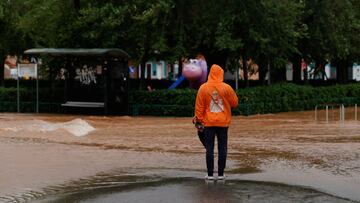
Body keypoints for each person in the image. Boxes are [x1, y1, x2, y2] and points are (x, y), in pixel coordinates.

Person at [194, 64, 238, 180]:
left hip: (208, 123)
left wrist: (199, 121)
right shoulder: (227, 88)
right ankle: (221, 174)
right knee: (222, 148)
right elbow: (235, 103)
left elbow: (199, 108)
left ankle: (209, 175)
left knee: (209, 148)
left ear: (210, 74)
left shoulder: (203, 88)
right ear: (221, 74)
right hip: (223, 123)